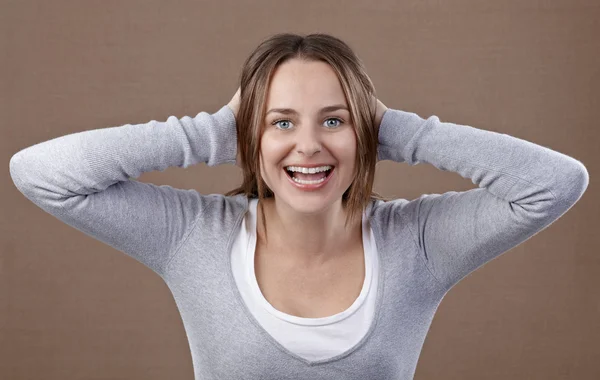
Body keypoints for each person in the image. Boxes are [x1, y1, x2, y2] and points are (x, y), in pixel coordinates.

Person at [9, 33, 589, 379]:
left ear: (363, 131)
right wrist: (212, 131)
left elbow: (554, 183)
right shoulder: (194, 237)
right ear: (249, 136)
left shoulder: (418, 242)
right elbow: (41, 174)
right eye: (280, 122)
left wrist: (397, 129)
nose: (308, 145)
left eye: (334, 120)